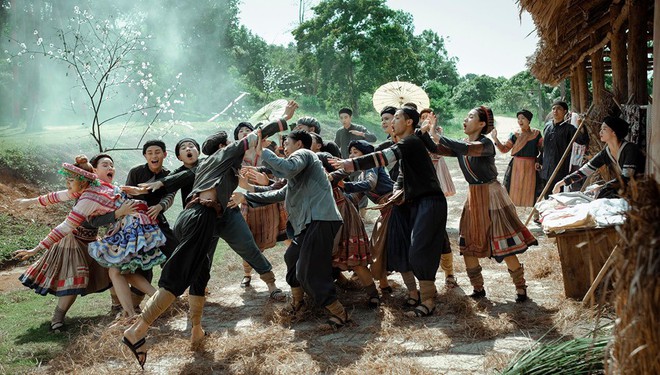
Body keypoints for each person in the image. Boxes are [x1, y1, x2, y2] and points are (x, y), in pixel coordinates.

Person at [121, 102, 297, 369]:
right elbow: (257, 135)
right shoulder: (225, 155)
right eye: (231, 143)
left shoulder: (211, 166)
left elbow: (179, 179)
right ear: (223, 146)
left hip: (197, 217)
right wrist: (283, 119)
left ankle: (196, 330)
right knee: (176, 278)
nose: (238, 145)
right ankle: (136, 331)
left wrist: (156, 184)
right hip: (202, 216)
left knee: (200, 272)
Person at [332, 107, 448, 318]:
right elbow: (401, 177)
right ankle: (422, 294)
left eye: (396, 118)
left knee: (419, 251)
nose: (391, 122)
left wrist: (351, 164)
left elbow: (383, 157)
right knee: (408, 249)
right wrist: (395, 194)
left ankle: (429, 300)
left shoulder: (410, 142)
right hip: (412, 204)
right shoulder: (408, 144)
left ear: (409, 123)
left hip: (429, 201)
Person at [232, 130, 350, 328]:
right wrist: (246, 197)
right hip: (309, 224)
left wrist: (263, 151)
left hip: (320, 220)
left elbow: (285, 168)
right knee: (291, 258)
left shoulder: (305, 155)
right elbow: (279, 193)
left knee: (308, 270)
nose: (284, 147)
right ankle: (299, 304)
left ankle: (339, 313)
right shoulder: (298, 174)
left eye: (287, 143)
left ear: (299, 145)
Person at [428, 106, 537, 302]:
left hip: (491, 195)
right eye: (466, 115)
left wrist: (436, 133)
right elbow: (437, 148)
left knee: (504, 244)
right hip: (474, 196)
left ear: (481, 124)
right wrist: (426, 132)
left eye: (470, 116)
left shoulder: (486, 145)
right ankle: (478, 289)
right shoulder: (462, 143)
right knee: (469, 243)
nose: (465, 119)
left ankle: (520, 288)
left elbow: (467, 149)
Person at [13, 156, 112, 331]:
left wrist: (36, 249)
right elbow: (56, 197)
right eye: (66, 179)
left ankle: (120, 307)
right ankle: (57, 318)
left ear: (83, 182)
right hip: (73, 242)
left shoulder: (92, 195)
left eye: (71, 180)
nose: (67, 183)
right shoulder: (83, 190)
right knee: (73, 279)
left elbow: (66, 224)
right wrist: (30, 202)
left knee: (109, 272)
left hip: (89, 240)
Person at [122, 140, 178, 310]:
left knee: (174, 254)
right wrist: (141, 208)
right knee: (142, 264)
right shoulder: (136, 172)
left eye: (158, 152)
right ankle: (135, 305)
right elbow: (128, 195)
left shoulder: (169, 175)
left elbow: (169, 196)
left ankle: (170, 292)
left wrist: (160, 207)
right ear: (145, 156)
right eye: (150, 153)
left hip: (158, 221)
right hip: (138, 226)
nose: (154, 156)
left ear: (164, 154)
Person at [341, 140, 395, 295]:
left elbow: (370, 184)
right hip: (387, 211)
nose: (351, 155)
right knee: (377, 247)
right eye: (350, 152)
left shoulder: (372, 166)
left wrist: (344, 185)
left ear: (365, 155)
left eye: (355, 152)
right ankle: (384, 286)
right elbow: (353, 199)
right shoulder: (361, 176)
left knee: (380, 246)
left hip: (396, 207)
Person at [233, 121, 281, 288]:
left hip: (270, 199)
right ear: (237, 138)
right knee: (249, 241)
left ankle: (292, 272)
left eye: (248, 130)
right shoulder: (235, 158)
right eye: (241, 131)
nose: (245, 132)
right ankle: (247, 274)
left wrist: (265, 180)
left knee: (285, 235)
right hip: (246, 201)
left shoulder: (267, 154)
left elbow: (279, 179)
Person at [552, 116, 645, 196]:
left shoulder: (630, 149)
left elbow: (627, 177)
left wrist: (603, 186)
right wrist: (561, 183)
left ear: (614, 132)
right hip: (623, 190)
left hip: (639, 192)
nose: (600, 132)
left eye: (604, 129)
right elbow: (585, 170)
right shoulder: (606, 153)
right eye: (601, 129)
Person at [420, 108, 457, 288]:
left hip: (435, 178)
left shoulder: (436, 133)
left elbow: (439, 151)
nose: (426, 119)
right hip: (418, 186)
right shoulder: (413, 137)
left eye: (429, 117)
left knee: (439, 230)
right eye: (423, 117)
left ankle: (449, 273)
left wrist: (431, 132)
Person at [492, 109, 543, 207]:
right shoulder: (515, 135)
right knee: (514, 189)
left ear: (529, 120)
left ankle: (536, 214)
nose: (520, 121)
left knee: (532, 189)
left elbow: (543, 150)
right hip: (517, 166)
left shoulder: (536, 134)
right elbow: (504, 149)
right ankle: (512, 214)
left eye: (523, 118)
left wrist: (539, 161)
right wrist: (495, 139)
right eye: (518, 118)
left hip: (531, 166)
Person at [538, 101, 589, 197]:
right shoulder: (547, 126)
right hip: (546, 167)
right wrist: (540, 160)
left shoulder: (570, 129)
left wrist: (581, 126)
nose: (555, 111)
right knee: (545, 193)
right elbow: (544, 146)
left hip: (560, 168)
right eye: (553, 108)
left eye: (558, 109)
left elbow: (582, 141)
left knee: (557, 195)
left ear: (565, 111)